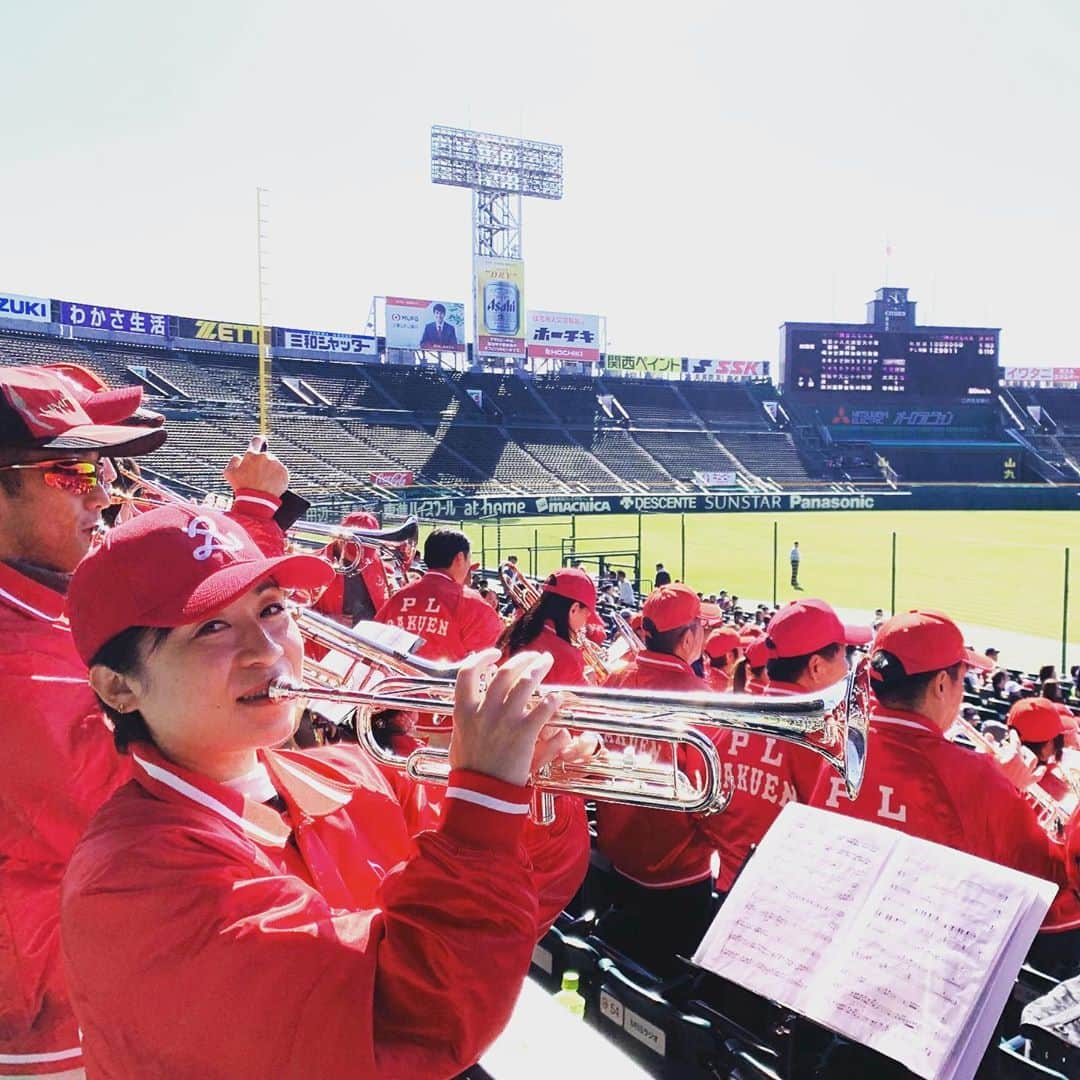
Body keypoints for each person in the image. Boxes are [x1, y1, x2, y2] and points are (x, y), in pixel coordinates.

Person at [58, 503, 579, 1078]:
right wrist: (484, 802)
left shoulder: (348, 771)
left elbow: (518, 910)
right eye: (211, 626)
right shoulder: (128, 884)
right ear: (118, 687)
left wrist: (530, 790)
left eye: (273, 609)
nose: (268, 649)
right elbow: (402, 1025)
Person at [0, 364, 298, 1079]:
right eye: (70, 472)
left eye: (102, 466)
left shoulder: (48, 604)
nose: (105, 491)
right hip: (54, 1022)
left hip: (94, 982)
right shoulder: (15, 660)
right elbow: (160, 788)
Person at [809, 610, 1080, 961]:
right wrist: (1008, 791)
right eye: (961, 680)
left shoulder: (836, 747)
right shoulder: (974, 777)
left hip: (844, 939)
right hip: (924, 961)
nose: (962, 693)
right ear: (940, 684)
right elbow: (1056, 878)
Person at [593, 583, 719, 972]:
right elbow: (710, 797)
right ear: (687, 638)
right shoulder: (700, 698)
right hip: (679, 876)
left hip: (618, 857)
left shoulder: (614, 678)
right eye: (701, 627)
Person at [708, 598, 871, 896]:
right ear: (816, 666)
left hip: (724, 892)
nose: (848, 666)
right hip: (785, 902)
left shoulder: (731, 721)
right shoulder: (825, 738)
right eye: (844, 655)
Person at [498, 567, 596, 687]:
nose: (586, 621)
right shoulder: (567, 656)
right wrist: (592, 680)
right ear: (574, 609)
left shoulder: (512, 633)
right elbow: (585, 704)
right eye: (587, 614)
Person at [703, 624, 742, 692]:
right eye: (742, 650)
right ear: (730, 656)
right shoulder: (728, 688)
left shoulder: (706, 677)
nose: (743, 655)